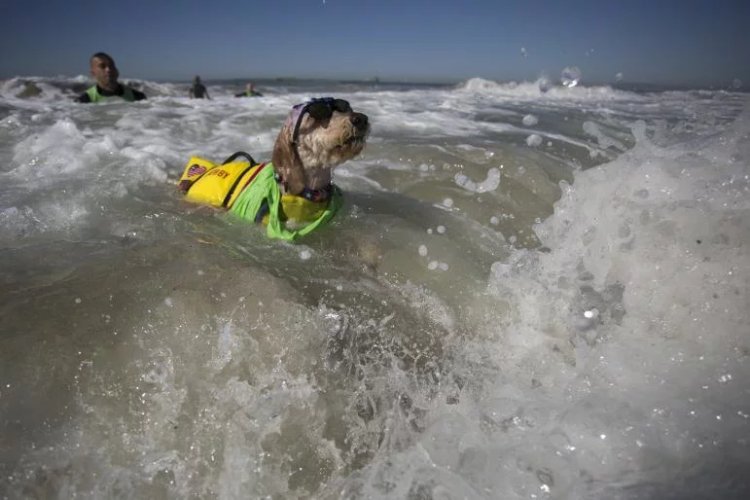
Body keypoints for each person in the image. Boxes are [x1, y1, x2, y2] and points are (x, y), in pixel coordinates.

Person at [76, 52, 146, 103]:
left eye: (111, 65)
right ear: (93, 73)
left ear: (117, 71)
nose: (108, 69)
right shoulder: (84, 101)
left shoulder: (138, 97)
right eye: (102, 66)